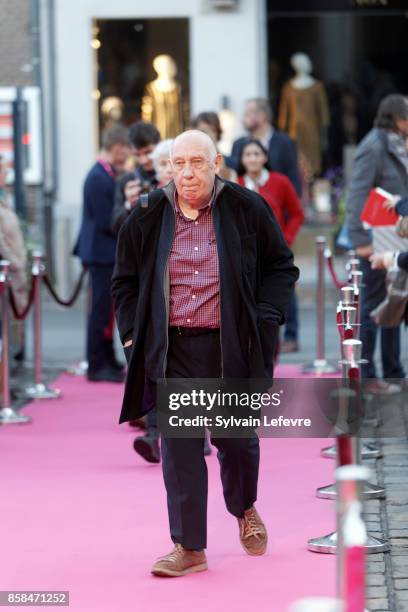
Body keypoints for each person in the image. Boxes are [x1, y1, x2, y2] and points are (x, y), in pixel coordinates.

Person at [112, 130, 298, 577]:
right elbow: (125, 282)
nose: (188, 173)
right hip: (175, 347)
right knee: (178, 451)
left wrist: (266, 318)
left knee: (235, 442)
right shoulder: (147, 213)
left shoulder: (246, 207)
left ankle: (244, 507)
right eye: (179, 164)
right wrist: (135, 337)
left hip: (228, 344)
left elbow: (280, 266)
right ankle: (188, 546)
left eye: (197, 162)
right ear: (169, 167)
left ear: (216, 164)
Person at [131, 138, 213, 463]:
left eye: (175, 163)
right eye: (169, 164)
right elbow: (121, 241)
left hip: (202, 315)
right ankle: (154, 434)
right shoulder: (145, 202)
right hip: (155, 310)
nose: (173, 170)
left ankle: (201, 431)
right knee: (158, 374)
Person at [345, 94, 408, 393]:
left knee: (394, 302)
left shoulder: (396, 142)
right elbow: (357, 193)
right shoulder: (374, 145)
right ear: (396, 117)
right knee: (372, 307)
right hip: (374, 239)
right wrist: (359, 240)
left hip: (394, 236)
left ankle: (394, 371)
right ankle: (368, 376)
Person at [236, 138, 304, 353]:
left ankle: (291, 336)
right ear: (242, 159)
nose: (253, 158)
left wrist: (287, 238)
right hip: (247, 252)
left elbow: (296, 213)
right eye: (248, 154)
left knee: (285, 290)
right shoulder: (236, 184)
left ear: (265, 157)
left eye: (257, 154)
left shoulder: (280, 181)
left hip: (277, 249)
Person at [76, 126, 130, 382]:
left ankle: (108, 358)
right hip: (101, 254)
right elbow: (105, 221)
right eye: (124, 149)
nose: (127, 154)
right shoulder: (98, 177)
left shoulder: (107, 174)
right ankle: (96, 364)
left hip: (106, 253)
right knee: (99, 311)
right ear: (115, 148)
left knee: (109, 312)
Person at [226, 98, 301, 195]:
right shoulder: (238, 144)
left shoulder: (284, 142)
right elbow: (234, 178)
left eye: (248, 114)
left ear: (262, 116)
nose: (243, 118)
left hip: (277, 205)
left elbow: (293, 178)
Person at [111, 122, 160, 235]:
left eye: (148, 152)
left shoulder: (171, 175)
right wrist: (128, 204)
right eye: (137, 155)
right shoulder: (126, 181)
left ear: (159, 145)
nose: (144, 160)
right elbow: (115, 226)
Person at [191, 111, 237, 181]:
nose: (209, 135)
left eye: (212, 130)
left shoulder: (232, 163)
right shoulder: (190, 162)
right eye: (203, 131)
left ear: (218, 132)